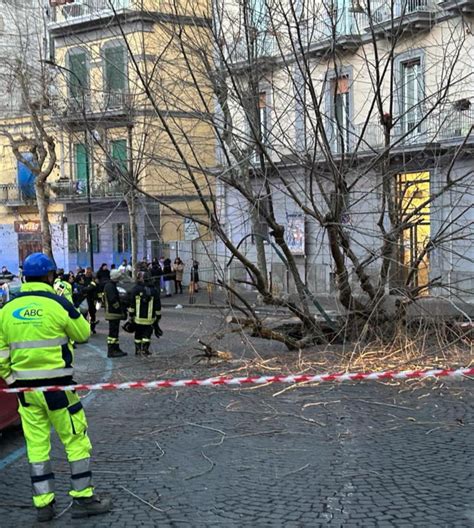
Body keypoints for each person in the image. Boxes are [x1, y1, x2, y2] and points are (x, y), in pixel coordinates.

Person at [0, 253, 111, 522]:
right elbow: (83, 334)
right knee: (75, 441)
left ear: (25, 276)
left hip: (25, 394)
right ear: (50, 276)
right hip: (59, 390)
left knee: (36, 447)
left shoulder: (5, 311)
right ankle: (83, 498)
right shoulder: (59, 304)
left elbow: (1, 355)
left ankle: (43, 506)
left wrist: (13, 381)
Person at [128, 272, 161, 356]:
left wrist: (131, 315)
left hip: (138, 319)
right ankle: (145, 349)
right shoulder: (153, 290)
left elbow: (131, 304)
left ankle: (138, 350)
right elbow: (158, 305)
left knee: (138, 334)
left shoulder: (135, 289)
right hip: (149, 319)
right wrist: (158, 316)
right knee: (147, 334)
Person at [103, 269, 127, 358]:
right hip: (112, 313)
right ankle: (112, 350)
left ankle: (116, 348)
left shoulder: (111, 285)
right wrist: (120, 309)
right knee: (113, 333)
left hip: (113, 313)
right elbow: (113, 300)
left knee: (115, 332)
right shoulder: (110, 286)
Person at [83, 268, 99, 334]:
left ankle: (92, 328)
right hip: (85, 299)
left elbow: (96, 288)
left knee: (92, 314)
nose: (88, 273)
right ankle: (85, 328)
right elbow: (84, 289)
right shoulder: (83, 278)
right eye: (87, 272)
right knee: (85, 314)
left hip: (92, 299)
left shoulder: (92, 279)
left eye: (89, 272)